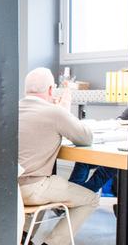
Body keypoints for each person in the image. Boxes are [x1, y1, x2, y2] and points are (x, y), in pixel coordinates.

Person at [18, 67, 99, 245]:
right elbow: (86, 138)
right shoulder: (55, 113)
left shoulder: (11, 110)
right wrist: (65, 111)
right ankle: (53, 243)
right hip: (33, 188)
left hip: (9, 189)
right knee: (91, 199)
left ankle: (23, 237)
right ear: (50, 90)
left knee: (50, 188)